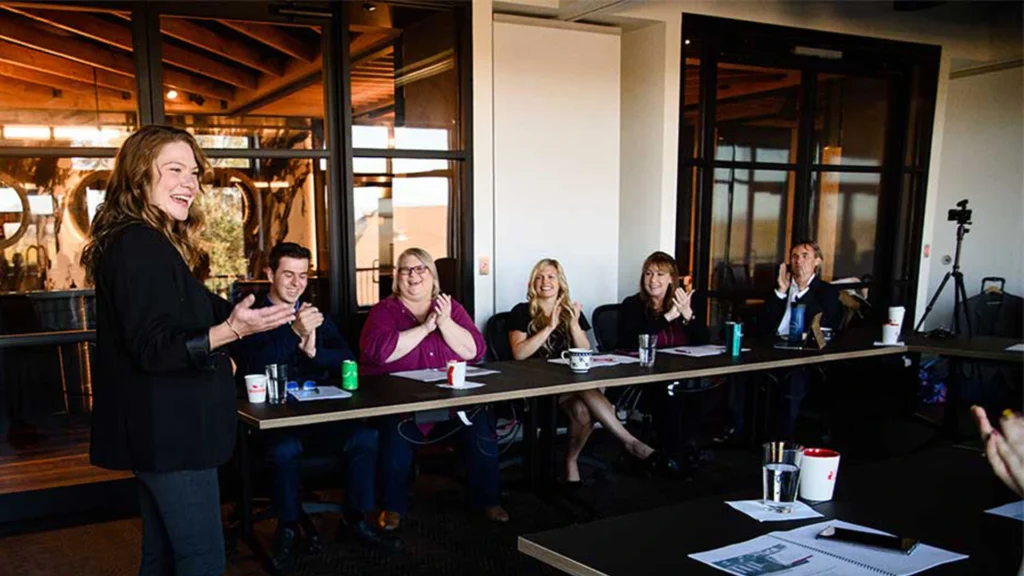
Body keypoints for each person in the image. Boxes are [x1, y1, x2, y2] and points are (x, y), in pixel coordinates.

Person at [80, 125, 296, 576]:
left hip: (161, 437)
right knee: (201, 560)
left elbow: (202, 314)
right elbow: (155, 349)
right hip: (172, 438)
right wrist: (232, 332)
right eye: (174, 169)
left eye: (194, 172)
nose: (191, 183)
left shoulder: (150, 242)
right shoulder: (139, 243)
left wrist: (265, 314)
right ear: (139, 177)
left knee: (161, 558)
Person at [234, 243, 401, 570]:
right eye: (288, 275)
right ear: (269, 274)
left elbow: (347, 359)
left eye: (302, 275)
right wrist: (295, 334)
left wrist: (313, 353)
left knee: (365, 439)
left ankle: (354, 521)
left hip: (317, 417)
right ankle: (287, 527)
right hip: (270, 421)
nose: (296, 283)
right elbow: (251, 366)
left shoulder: (314, 315)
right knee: (284, 450)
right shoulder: (251, 319)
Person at [360, 248, 507, 529]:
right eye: (406, 269)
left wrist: (445, 322)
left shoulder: (450, 308)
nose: (413, 275)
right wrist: (426, 328)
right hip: (402, 405)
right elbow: (381, 354)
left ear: (432, 275)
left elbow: (474, 351)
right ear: (397, 277)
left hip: (451, 405)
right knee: (395, 432)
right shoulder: (384, 311)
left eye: (420, 269)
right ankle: (393, 507)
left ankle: (489, 499)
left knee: (482, 423)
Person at [508, 258, 675, 484]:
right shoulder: (521, 311)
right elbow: (519, 353)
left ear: (560, 283)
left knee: (583, 410)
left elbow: (585, 350)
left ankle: (571, 460)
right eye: (539, 277)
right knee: (586, 389)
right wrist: (549, 327)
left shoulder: (569, 312)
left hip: (569, 385)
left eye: (550, 277)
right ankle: (629, 442)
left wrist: (573, 324)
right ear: (532, 283)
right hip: (537, 386)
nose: (544, 281)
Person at [618, 252, 711, 462]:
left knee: (707, 387)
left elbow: (704, 341)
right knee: (673, 392)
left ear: (671, 279)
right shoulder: (633, 305)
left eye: (660, 274)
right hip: (645, 376)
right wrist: (668, 317)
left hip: (681, 370)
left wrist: (688, 314)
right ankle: (671, 455)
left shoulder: (681, 302)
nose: (653, 280)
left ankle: (687, 448)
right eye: (648, 274)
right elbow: (634, 340)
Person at [759, 240, 842, 440]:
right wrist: (779, 293)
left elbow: (824, 322)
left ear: (817, 261)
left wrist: (804, 290)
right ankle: (740, 430)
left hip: (805, 353)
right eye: (794, 256)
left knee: (794, 377)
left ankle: (786, 440)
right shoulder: (782, 287)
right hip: (773, 347)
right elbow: (762, 324)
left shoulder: (827, 292)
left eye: (805, 256)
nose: (799, 261)